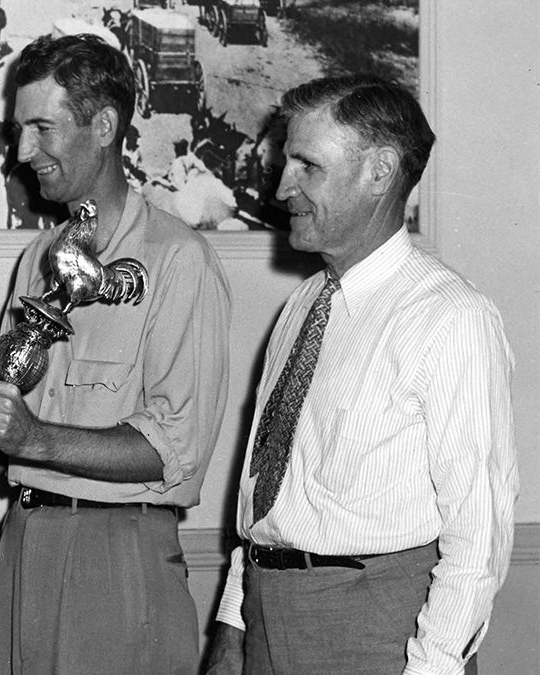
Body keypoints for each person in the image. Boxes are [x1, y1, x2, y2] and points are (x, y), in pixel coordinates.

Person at [203, 76, 517, 675]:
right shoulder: (303, 307)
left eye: (306, 165)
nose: (280, 188)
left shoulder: (451, 317)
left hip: (380, 635)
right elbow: (270, 490)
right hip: (268, 620)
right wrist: (232, 628)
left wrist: (432, 668)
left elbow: (479, 539)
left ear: (379, 172)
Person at [0, 34, 232, 674]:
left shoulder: (179, 260)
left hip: (118, 553)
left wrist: (35, 439)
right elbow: (2, 436)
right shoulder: (37, 258)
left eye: (42, 128)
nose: (22, 153)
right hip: (24, 546)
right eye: (18, 129)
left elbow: (175, 447)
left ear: (103, 125)